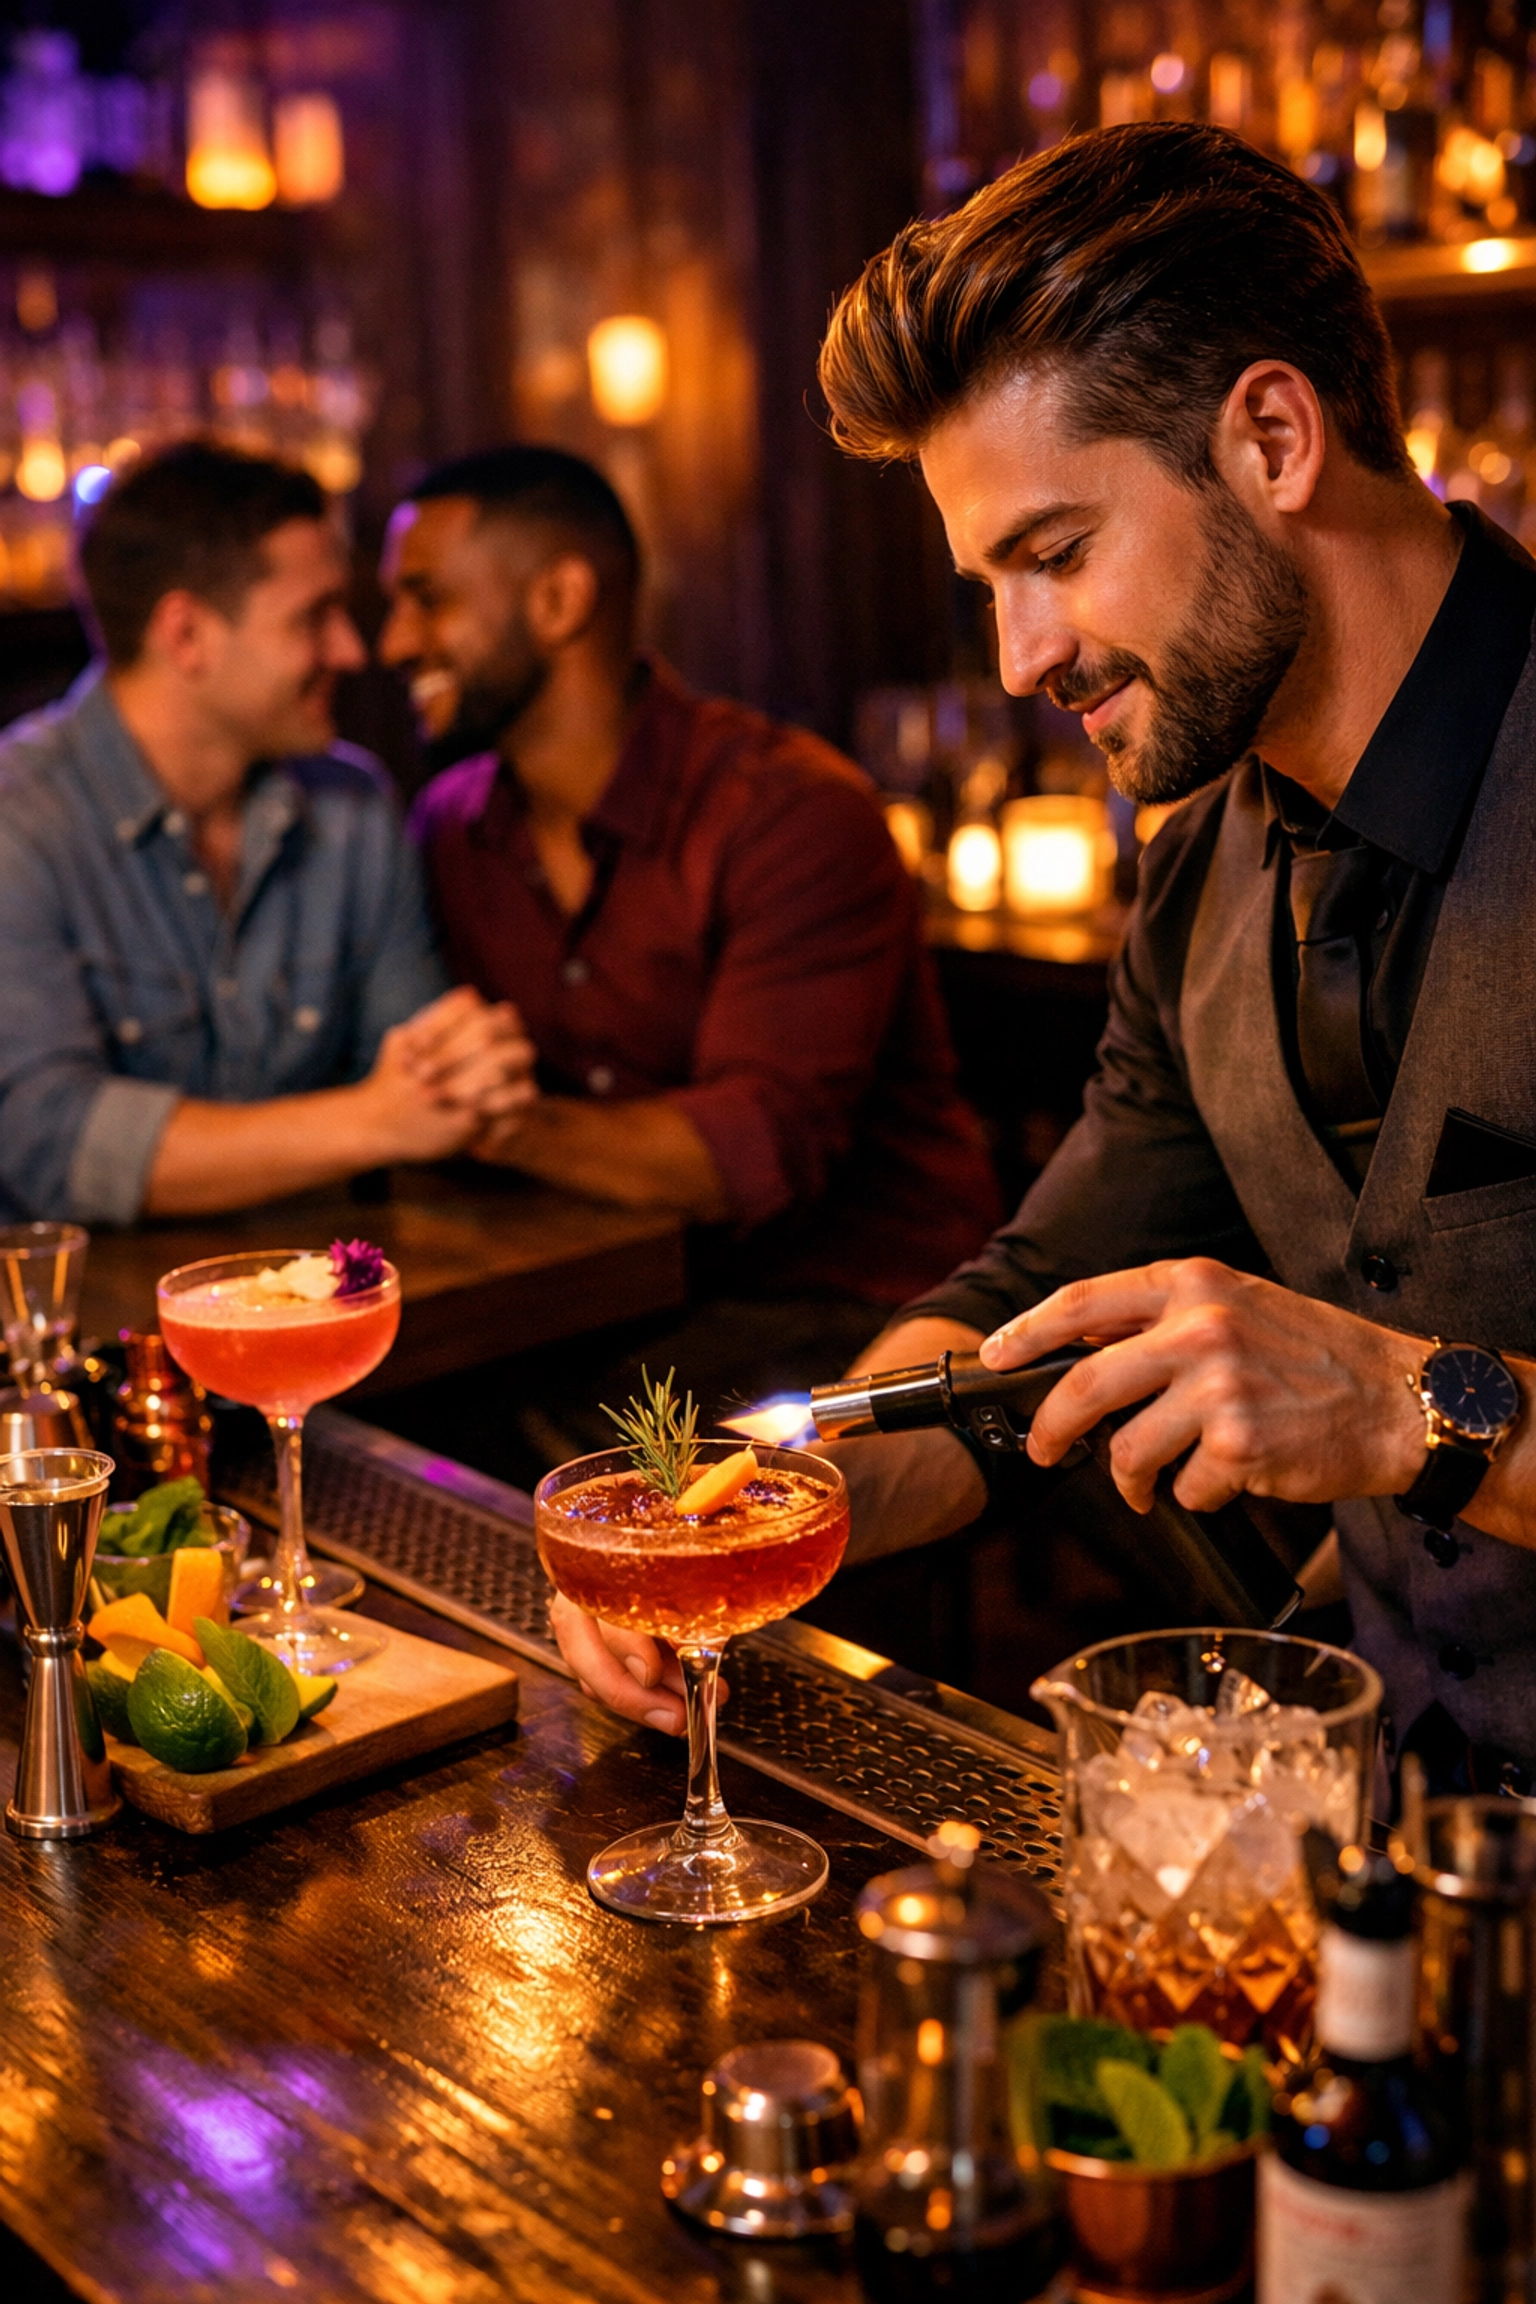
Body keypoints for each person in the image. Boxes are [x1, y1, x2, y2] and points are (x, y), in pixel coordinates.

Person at [553, 120, 1536, 1795]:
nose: (1020, 657)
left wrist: (1414, 1409)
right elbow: (1029, 1323)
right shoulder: (1201, 865)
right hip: (1388, 1860)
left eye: (1057, 554)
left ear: (1276, 438)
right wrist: (770, 1491)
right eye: (989, 583)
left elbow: (1396, 1400)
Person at [382, 443, 999, 1449]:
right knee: (398, 1424)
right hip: (622, 1300)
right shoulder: (452, 827)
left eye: (426, 597)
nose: (393, 640)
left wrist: (486, 1121)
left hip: (864, 1312)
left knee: (554, 1457)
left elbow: (748, 1159)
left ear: (557, 600)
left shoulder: (788, 810)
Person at [0, 440, 531, 1224]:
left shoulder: (352, 808)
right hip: (94, 1335)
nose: (354, 651)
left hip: (321, 1310)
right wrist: (372, 1123)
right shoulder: (20, 820)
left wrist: (471, 1072)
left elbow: (427, 1087)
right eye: (313, 618)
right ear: (186, 636)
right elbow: (50, 1146)